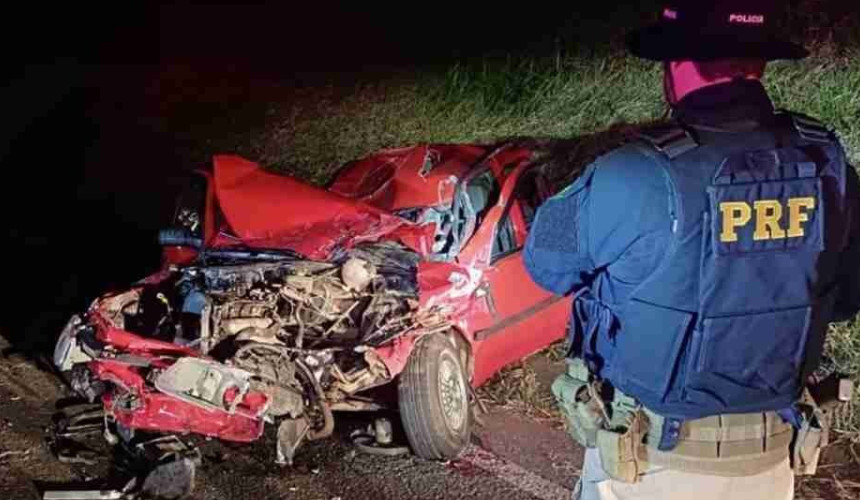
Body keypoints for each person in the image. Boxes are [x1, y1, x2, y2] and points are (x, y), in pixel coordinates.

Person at [523, 1, 860, 499]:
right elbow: (848, 297)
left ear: (677, 66)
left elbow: (546, 267)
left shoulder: (635, 172)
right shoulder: (826, 162)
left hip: (651, 467)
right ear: (758, 63)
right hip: (770, 465)